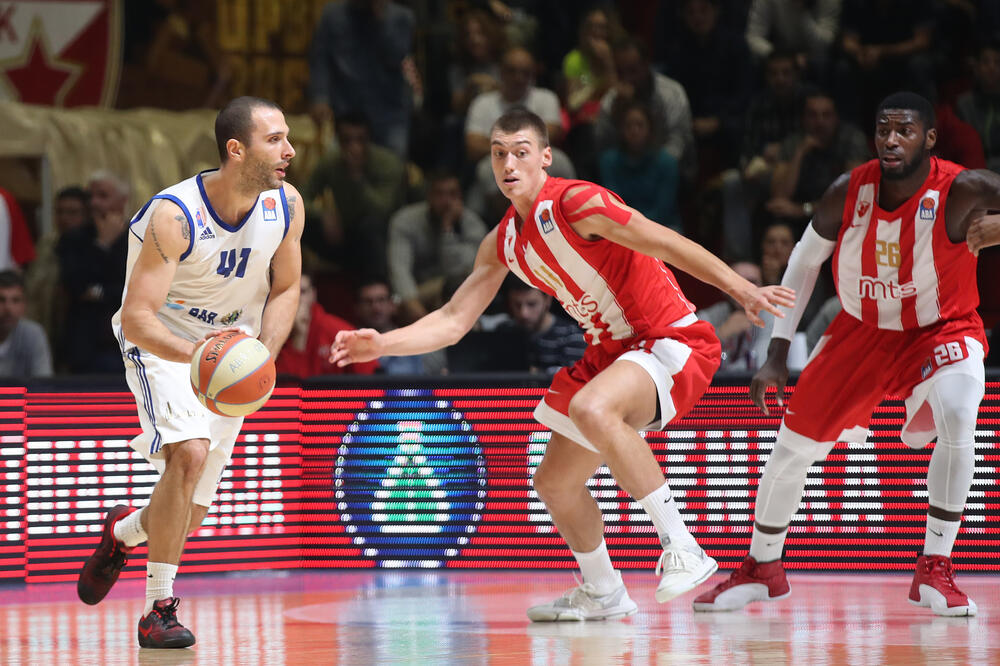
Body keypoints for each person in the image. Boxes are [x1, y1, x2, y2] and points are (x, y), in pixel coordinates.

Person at [332, 108, 793, 621]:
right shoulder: (504, 240)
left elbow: (663, 239)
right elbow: (453, 319)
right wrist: (383, 344)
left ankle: (684, 546)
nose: (508, 162)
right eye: (498, 152)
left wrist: (741, 289)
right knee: (554, 483)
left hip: (669, 338)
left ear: (545, 157)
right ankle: (603, 591)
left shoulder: (577, 202)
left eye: (520, 152)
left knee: (593, 407)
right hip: (610, 356)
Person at [693, 92, 1000, 617]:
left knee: (958, 412)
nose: (891, 140)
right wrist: (776, 352)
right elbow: (802, 265)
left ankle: (936, 567)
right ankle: (762, 568)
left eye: (904, 131)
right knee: (790, 451)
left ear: (928, 139)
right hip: (861, 332)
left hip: (940, 326)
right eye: (884, 130)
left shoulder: (963, 187)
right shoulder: (848, 191)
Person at [76, 97, 303, 648]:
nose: (290, 151)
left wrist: (263, 357)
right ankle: (159, 610)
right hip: (161, 342)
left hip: (232, 351)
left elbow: (287, 287)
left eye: (287, 138)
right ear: (235, 149)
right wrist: (199, 357)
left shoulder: (287, 204)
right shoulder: (174, 216)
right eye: (274, 140)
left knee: (191, 514)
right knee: (190, 452)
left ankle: (123, 531)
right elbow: (136, 318)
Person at [387, 171, 488, 322]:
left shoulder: (474, 225)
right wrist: (414, 307)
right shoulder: (405, 221)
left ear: (460, 196)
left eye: (452, 194)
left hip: (457, 293)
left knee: (457, 284)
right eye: (439, 194)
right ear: (429, 196)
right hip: (417, 294)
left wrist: (447, 230)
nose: (446, 201)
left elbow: (458, 270)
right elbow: (399, 270)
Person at [57, 171, 132, 374]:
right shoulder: (73, 238)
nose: (94, 202)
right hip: (85, 345)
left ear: (122, 200)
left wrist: (98, 293)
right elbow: (74, 285)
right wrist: (102, 245)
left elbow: (135, 291)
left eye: (103, 196)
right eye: (90, 196)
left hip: (128, 343)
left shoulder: (139, 235)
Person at [276, 273, 379, 377]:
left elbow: (372, 377)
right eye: (288, 293)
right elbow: (283, 386)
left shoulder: (337, 331)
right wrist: (299, 336)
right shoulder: (272, 333)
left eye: (302, 292)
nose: (296, 298)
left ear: (313, 294)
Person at [0, 270, 52, 377]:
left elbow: (43, 383)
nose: (8, 308)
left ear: (24, 305)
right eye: (1, 300)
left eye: (16, 300)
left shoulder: (33, 334)